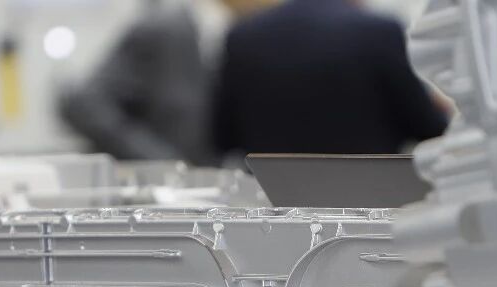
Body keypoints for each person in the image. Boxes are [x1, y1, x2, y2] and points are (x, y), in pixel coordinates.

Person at [213, 0, 449, 160]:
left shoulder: (243, 36)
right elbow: (428, 128)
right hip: (368, 204)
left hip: (271, 204)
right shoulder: (380, 32)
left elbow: (221, 138)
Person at [60, 0, 267, 166]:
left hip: (208, 191)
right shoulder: (163, 29)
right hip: (160, 193)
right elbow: (84, 104)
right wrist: (156, 158)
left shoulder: (241, 37)